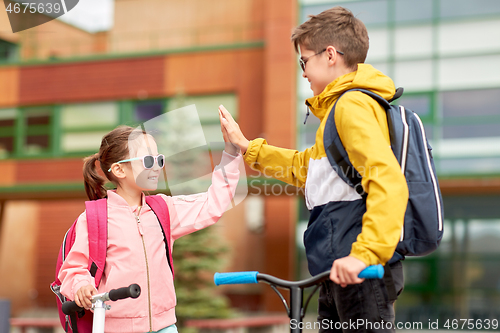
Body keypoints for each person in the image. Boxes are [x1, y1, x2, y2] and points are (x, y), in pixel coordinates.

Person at [219, 6, 408, 333]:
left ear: (330, 54)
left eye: (304, 60)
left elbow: (388, 181)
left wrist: (364, 255)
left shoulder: (352, 106)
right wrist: (247, 146)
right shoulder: (337, 111)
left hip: (358, 271)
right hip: (337, 271)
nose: (303, 71)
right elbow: (304, 169)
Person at [58, 120, 241, 333]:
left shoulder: (163, 209)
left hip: (165, 327)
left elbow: (213, 204)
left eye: (158, 159)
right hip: (116, 328)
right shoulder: (94, 218)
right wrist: (82, 286)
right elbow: (73, 269)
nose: (156, 166)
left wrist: (231, 152)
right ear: (119, 169)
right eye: (147, 160)